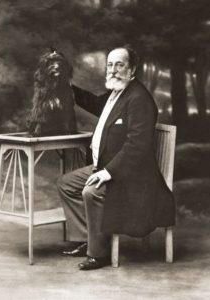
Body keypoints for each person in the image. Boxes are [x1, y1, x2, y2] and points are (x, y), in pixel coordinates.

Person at [57, 45, 175, 271]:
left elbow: (137, 146)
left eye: (119, 65)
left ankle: (98, 254)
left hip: (134, 178)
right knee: (66, 184)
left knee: (90, 191)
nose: (113, 70)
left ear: (132, 70)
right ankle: (88, 239)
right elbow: (92, 103)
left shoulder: (139, 99)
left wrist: (107, 171)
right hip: (109, 168)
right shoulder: (117, 93)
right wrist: (65, 87)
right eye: (110, 65)